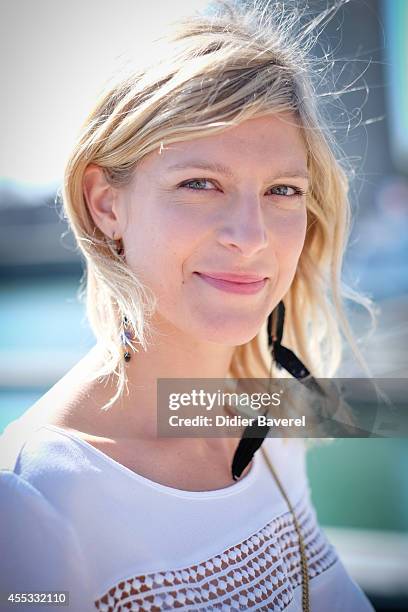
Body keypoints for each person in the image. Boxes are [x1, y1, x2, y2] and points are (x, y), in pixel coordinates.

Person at [0, 1, 376, 610]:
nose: (251, 235)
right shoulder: (33, 501)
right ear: (106, 204)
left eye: (283, 190)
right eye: (200, 183)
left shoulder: (269, 423)